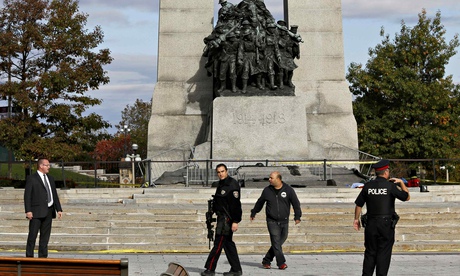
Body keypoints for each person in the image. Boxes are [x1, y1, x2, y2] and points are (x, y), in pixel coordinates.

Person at [353, 159, 410, 276]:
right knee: (384, 253)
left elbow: (359, 204)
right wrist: (401, 183)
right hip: (386, 224)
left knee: (370, 252)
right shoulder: (390, 186)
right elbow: (406, 197)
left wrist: (356, 219)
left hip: (371, 224)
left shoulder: (368, 186)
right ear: (386, 172)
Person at [250, 171, 302, 270]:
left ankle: (267, 260)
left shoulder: (288, 190)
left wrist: (297, 216)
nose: (269, 179)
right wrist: (254, 212)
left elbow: (296, 203)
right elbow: (260, 202)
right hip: (272, 221)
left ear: (278, 179)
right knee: (276, 241)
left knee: (278, 242)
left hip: (284, 221)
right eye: (269, 178)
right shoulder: (267, 190)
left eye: (271, 178)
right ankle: (281, 263)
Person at [202, 164, 242, 276]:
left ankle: (210, 269)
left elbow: (236, 205)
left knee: (218, 244)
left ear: (227, 171)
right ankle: (236, 269)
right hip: (221, 218)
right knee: (228, 244)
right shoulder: (221, 184)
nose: (221, 174)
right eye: (218, 172)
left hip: (227, 219)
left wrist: (235, 221)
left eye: (222, 171)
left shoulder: (232, 184)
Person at [24, 157, 63, 258]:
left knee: (45, 237)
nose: (49, 167)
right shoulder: (32, 178)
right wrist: (28, 210)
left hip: (49, 211)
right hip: (36, 211)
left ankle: (43, 257)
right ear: (41, 166)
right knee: (32, 235)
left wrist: (58, 209)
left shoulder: (50, 178)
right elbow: (27, 195)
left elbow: (54, 194)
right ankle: (29, 257)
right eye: (47, 165)